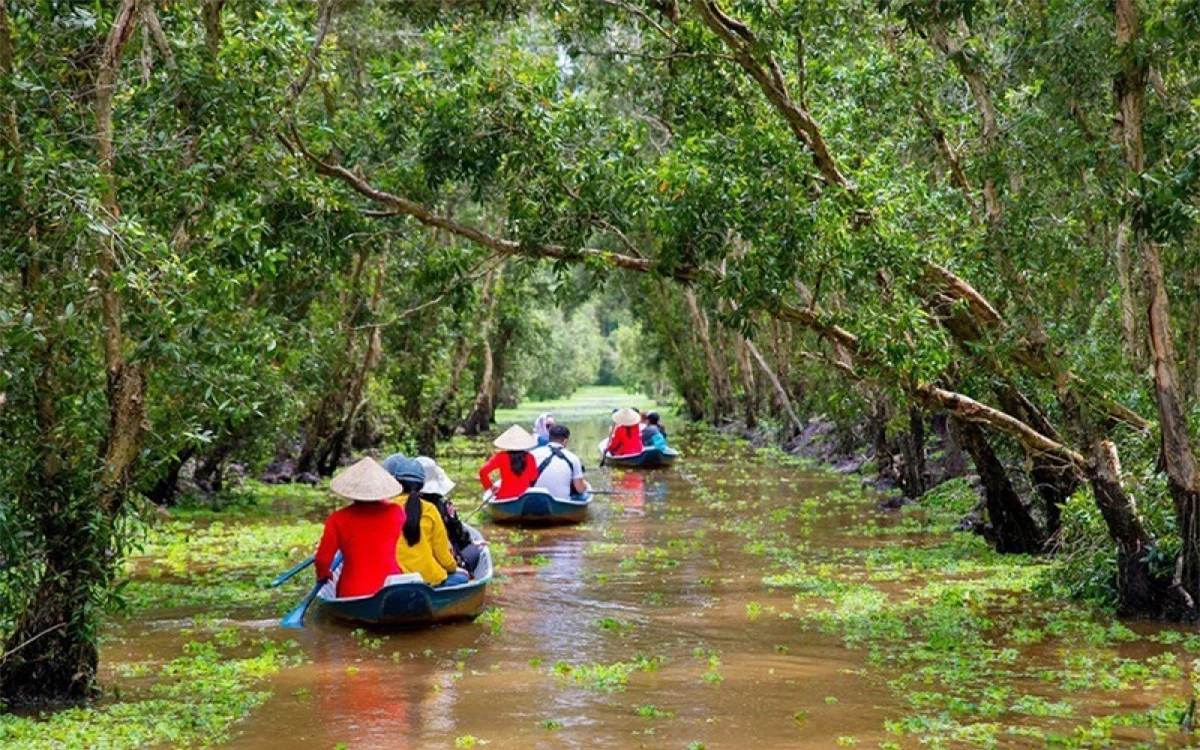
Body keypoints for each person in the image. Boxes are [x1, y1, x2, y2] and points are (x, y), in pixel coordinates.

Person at [314, 457, 407, 598]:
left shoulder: (337, 519)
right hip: (392, 587)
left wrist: (323, 574)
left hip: (352, 591)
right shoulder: (397, 511)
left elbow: (322, 559)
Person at [383, 453, 469, 587]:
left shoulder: (385, 509)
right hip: (429, 579)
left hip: (394, 579)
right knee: (462, 577)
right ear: (422, 485)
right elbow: (443, 556)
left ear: (397, 482)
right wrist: (453, 568)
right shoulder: (430, 510)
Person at [416, 455, 483, 574]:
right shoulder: (442, 505)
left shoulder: (402, 505)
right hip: (443, 562)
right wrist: (470, 542)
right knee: (473, 551)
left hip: (416, 561)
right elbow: (457, 531)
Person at [479, 424, 539, 500]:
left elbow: (483, 471)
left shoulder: (501, 456)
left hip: (504, 496)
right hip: (525, 497)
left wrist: (490, 487)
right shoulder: (530, 457)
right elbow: (533, 477)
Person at [531, 424, 589, 499]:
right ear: (565, 441)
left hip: (533, 499)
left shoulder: (533, 454)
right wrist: (585, 486)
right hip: (561, 502)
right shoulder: (573, 458)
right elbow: (580, 489)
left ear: (549, 438)